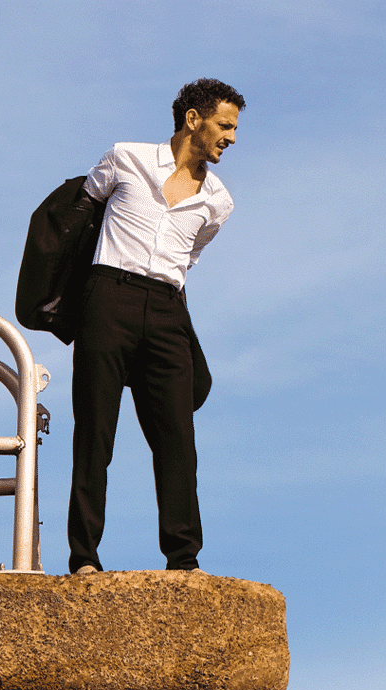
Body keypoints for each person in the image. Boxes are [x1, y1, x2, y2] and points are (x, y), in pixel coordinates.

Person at [67, 78, 245, 575]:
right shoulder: (126, 158)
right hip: (107, 298)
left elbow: (189, 258)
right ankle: (84, 557)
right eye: (225, 125)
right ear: (194, 119)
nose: (231, 137)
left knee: (177, 441)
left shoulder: (219, 202)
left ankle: (183, 559)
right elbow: (79, 218)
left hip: (168, 309)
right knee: (96, 433)